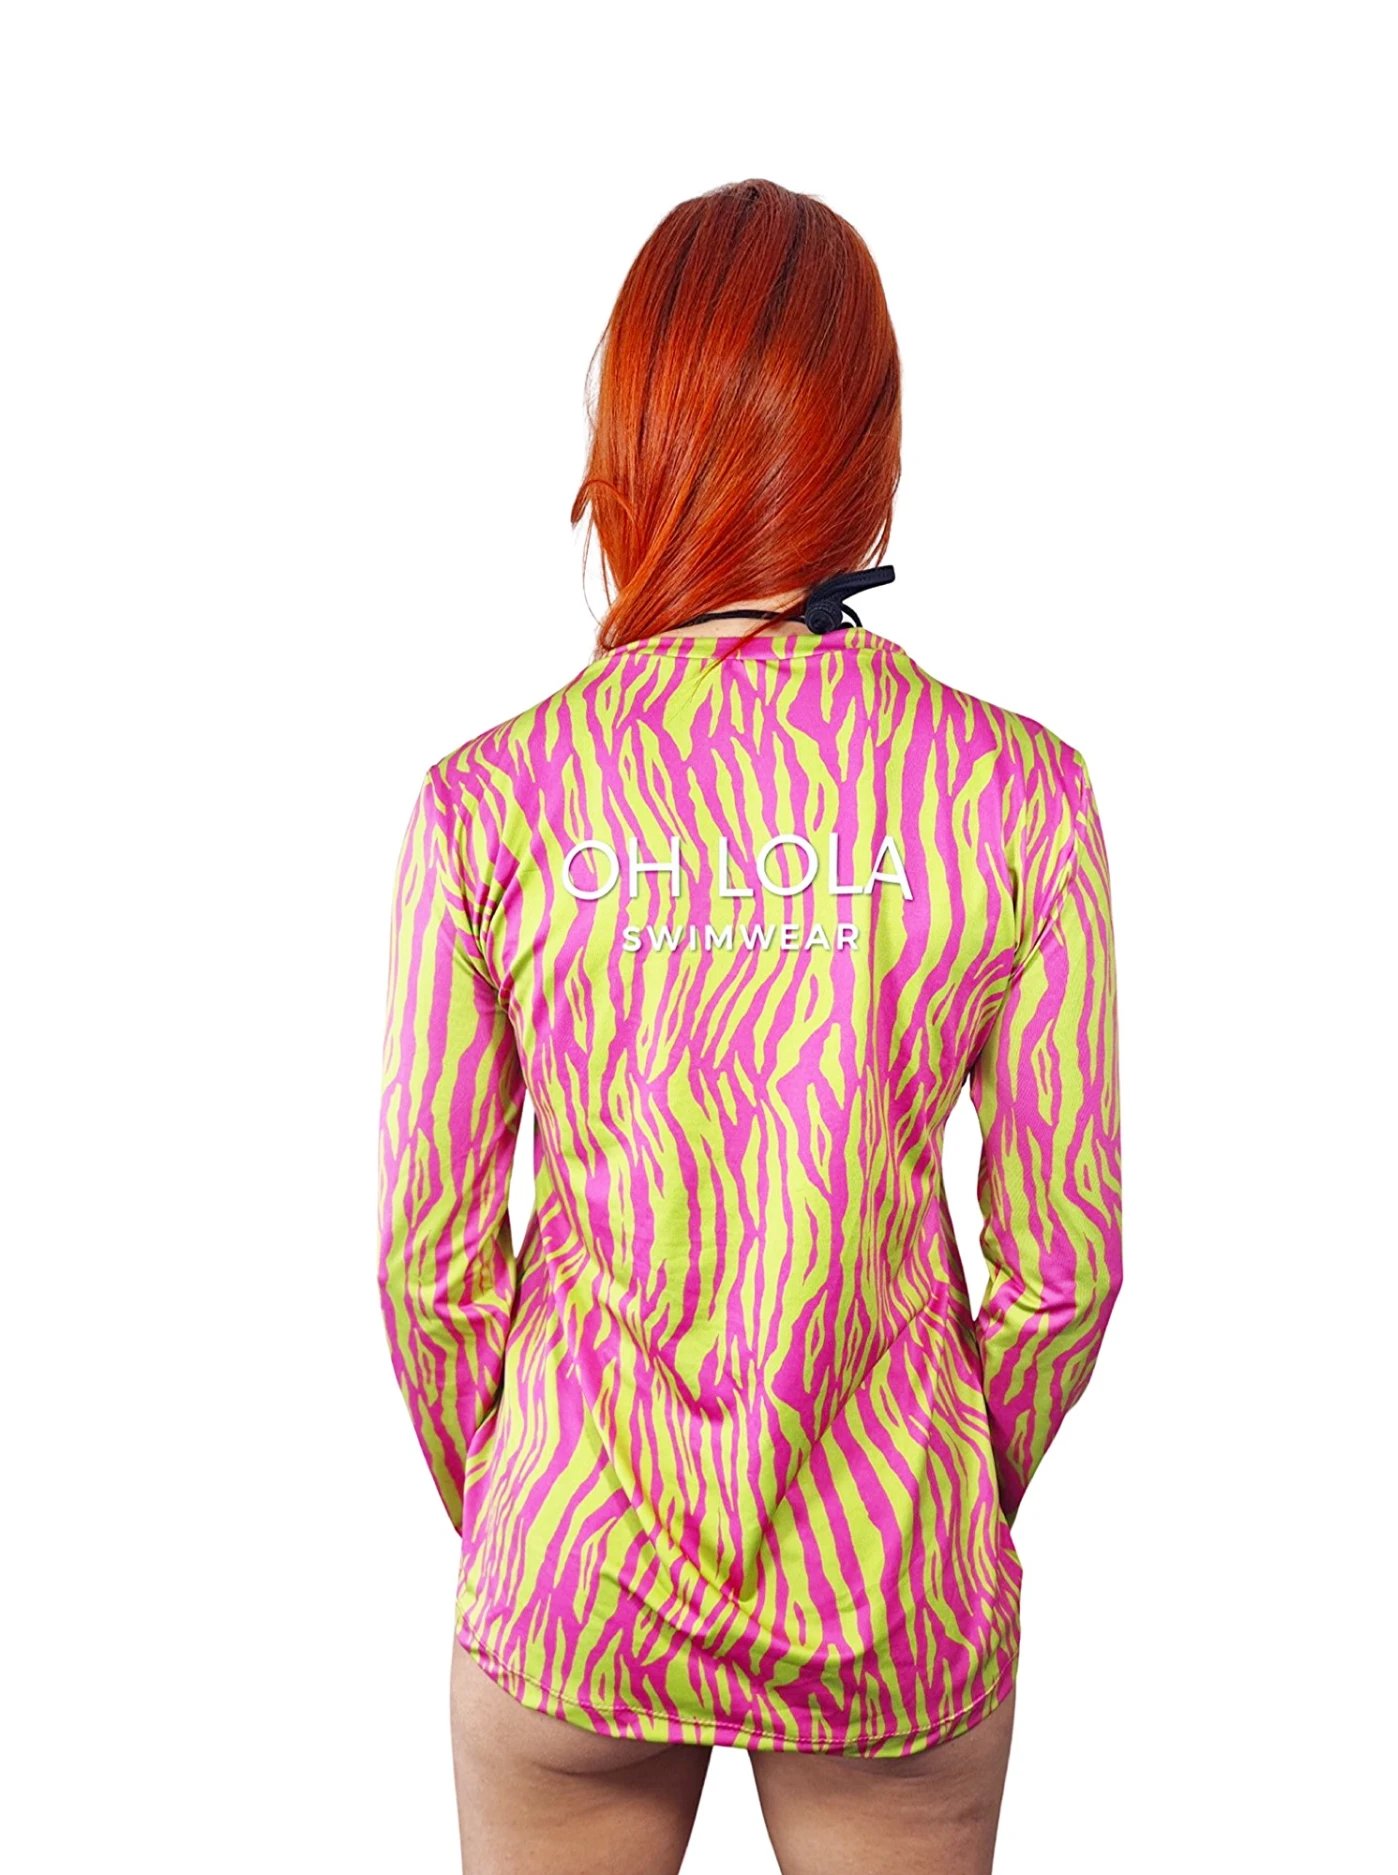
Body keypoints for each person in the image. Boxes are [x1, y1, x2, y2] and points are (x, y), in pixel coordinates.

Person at [377, 177, 1123, 1875]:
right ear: (876, 447)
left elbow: (429, 1263)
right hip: (893, 1583)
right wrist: (941, 1488)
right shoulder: (1020, 798)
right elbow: (1067, 1264)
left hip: (575, 1565)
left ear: (630, 441)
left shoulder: (491, 801)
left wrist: (527, 1510)